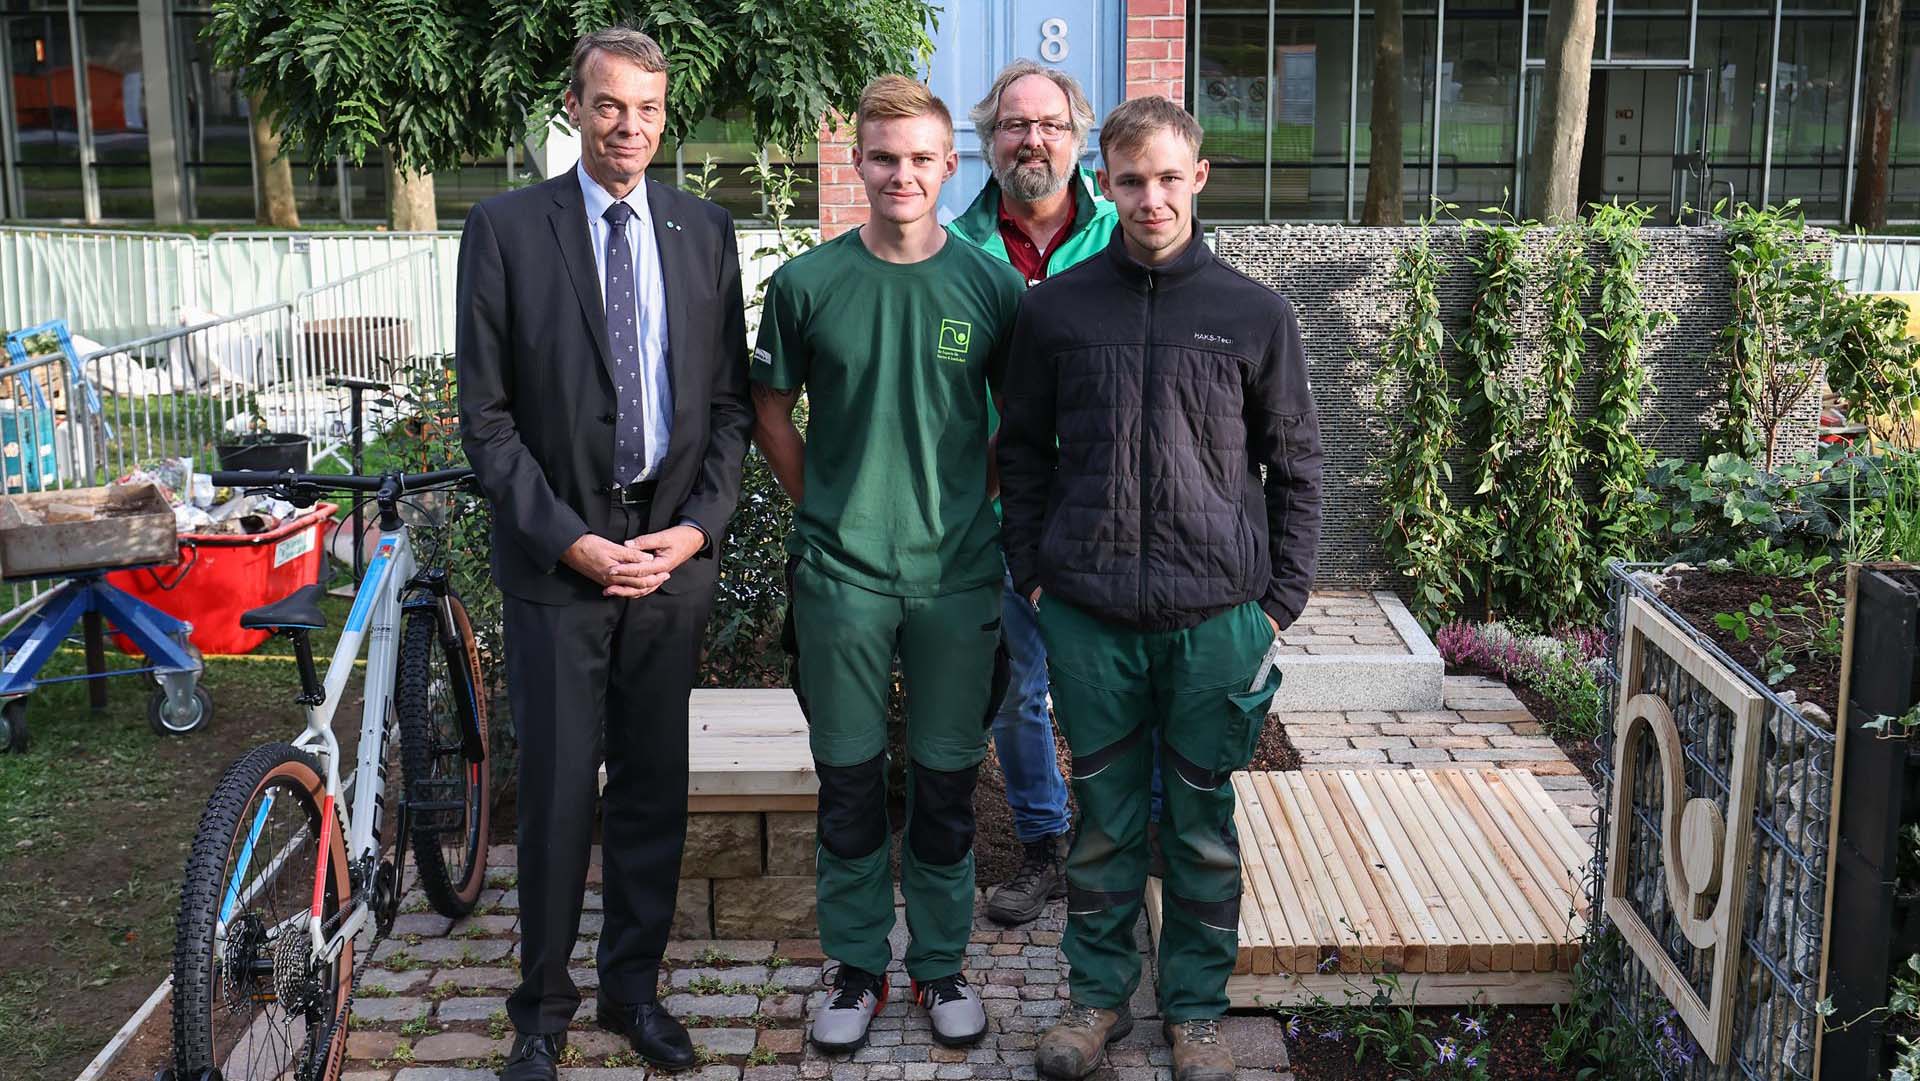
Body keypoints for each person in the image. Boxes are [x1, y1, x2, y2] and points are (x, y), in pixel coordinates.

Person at [997, 95, 1323, 1081]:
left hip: (1217, 618)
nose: (1151, 198)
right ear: (1103, 180)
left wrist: (1278, 603)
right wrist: (1036, 576)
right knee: (1102, 825)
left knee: (1200, 821)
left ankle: (1196, 1010)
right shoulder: (1056, 311)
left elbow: (1297, 461)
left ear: (1199, 178)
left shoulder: (1254, 314)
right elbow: (1021, 453)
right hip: (1090, 615)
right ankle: (1096, 1003)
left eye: (1168, 178)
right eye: (1131, 180)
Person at [456, 25, 752, 1081]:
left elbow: (726, 409)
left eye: (650, 109)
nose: (631, 126)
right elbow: (485, 421)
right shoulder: (503, 229)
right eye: (611, 104)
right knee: (555, 799)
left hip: (669, 561)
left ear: (667, 117)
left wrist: (699, 528)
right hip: (557, 566)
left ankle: (634, 990)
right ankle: (539, 1009)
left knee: (652, 787)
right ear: (575, 107)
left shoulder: (703, 229)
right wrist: (573, 541)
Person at [751, 75, 1024, 1054]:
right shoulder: (807, 285)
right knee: (851, 781)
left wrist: (972, 502)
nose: (901, 173)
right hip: (842, 576)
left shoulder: (993, 287)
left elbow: (1019, 425)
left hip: (957, 576)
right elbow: (770, 409)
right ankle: (859, 967)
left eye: (920, 157)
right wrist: (821, 506)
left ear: (952, 164)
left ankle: (941, 965)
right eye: (883, 157)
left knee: (948, 784)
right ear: (856, 164)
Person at [947, 60, 1117, 928]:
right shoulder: (954, 246)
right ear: (990, 141)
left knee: (1111, 681)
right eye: (1015, 125)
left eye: (1049, 124)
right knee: (1021, 688)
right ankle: (1043, 847)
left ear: (1077, 136)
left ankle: (1118, 844)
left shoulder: (1126, 232)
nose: (1032, 140)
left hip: (1105, 505)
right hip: (997, 505)